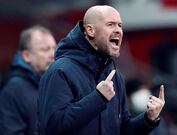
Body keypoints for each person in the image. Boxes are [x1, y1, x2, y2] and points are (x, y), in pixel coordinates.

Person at [37, 5, 165, 135]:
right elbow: (53, 127)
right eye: (110, 24)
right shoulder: (60, 70)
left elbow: (123, 130)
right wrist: (98, 98)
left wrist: (148, 119)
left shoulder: (115, 76)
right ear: (90, 30)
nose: (118, 30)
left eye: (120, 25)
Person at [0, 25, 56, 135]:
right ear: (26, 56)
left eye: (54, 48)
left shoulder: (54, 83)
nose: (53, 54)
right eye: (45, 49)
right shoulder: (13, 89)